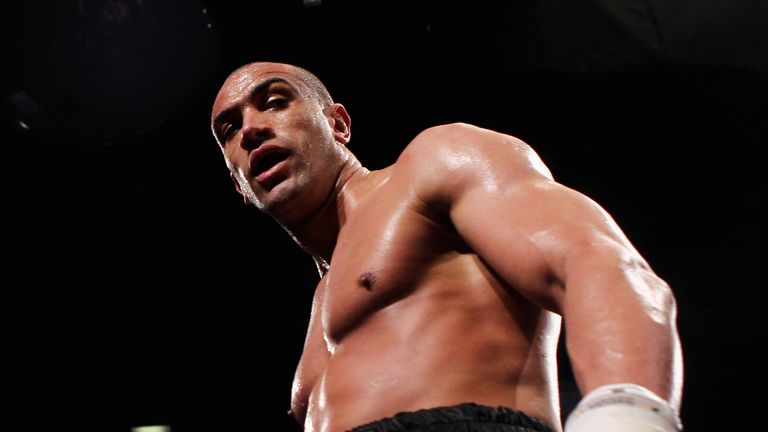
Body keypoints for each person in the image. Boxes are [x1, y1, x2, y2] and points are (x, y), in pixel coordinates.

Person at [210, 62, 684, 432]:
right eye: (230, 130)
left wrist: (627, 414)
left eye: (273, 101)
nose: (250, 129)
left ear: (338, 124)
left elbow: (595, 262)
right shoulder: (320, 307)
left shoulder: (434, 163)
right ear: (238, 186)